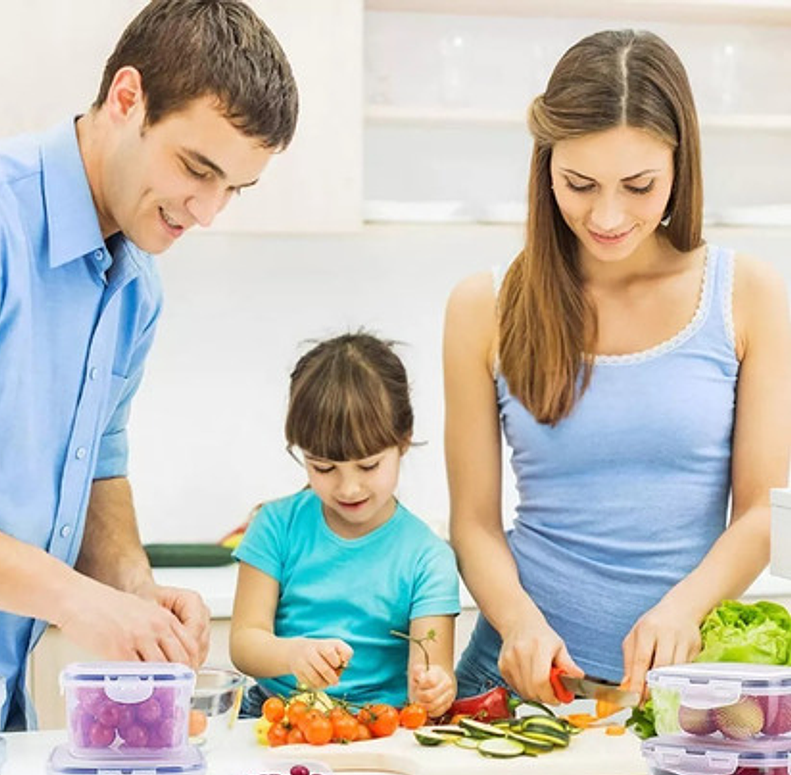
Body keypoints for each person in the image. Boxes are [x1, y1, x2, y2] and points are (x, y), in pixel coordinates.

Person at [0, 0, 298, 739]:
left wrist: (133, 591)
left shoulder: (135, 287)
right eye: (196, 168)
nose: (208, 211)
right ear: (127, 98)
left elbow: (97, 470)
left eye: (233, 188)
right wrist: (76, 600)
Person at [444, 29, 791, 706]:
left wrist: (683, 609)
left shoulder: (746, 295)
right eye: (580, 184)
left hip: (681, 690)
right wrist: (519, 623)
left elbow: (759, 512)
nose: (607, 216)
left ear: (680, 165)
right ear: (546, 165)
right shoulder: (483, 307)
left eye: (639, 186)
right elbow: (474, 523)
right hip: (511, 681)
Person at [230, 333, 460, 720]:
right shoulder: (274, 526)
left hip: (381, 723)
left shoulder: (428, 558)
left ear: (403, 442)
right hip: (277, 715)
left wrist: (436, 688)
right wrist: (291, 654)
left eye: (368, 465)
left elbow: (430, 671)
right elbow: (244, 643)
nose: (348, 488)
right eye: (323, 467)